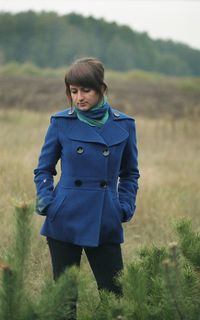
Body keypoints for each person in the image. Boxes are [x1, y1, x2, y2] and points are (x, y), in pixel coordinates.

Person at [33, 57, 140, 319]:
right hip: (64, 219)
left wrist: (123, 207)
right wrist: (47, 201)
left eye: (86, 90)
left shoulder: (124, 124)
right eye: (73, 91)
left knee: (113, 298)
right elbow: (44, 169)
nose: (79, 97)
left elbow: (130, 173)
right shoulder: (61, 122)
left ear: (101, 88)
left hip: (105, 219)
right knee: (64, 301)